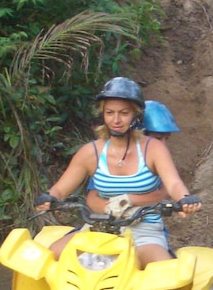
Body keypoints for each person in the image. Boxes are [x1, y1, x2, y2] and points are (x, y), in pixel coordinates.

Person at [35, 79, 201, 268]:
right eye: (110, 113)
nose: (116, 120)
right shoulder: (91, 152)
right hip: (98, 228)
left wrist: (185, 199)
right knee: (48, 257)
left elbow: (173, 184)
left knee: (166, 271)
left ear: (136, 116)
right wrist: (49, 198)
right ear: (103, 115)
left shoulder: (153, 149)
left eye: (124, 113)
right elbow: (61, 188)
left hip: (143, 232)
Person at [85, 100, 181, 218]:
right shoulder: (104, 158)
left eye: (167, 139)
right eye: (158, 138)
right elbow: (92, 197)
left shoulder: (158, 158)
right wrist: (111, 209)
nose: (163, 145)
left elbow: (164, 194)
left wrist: (130, 200)